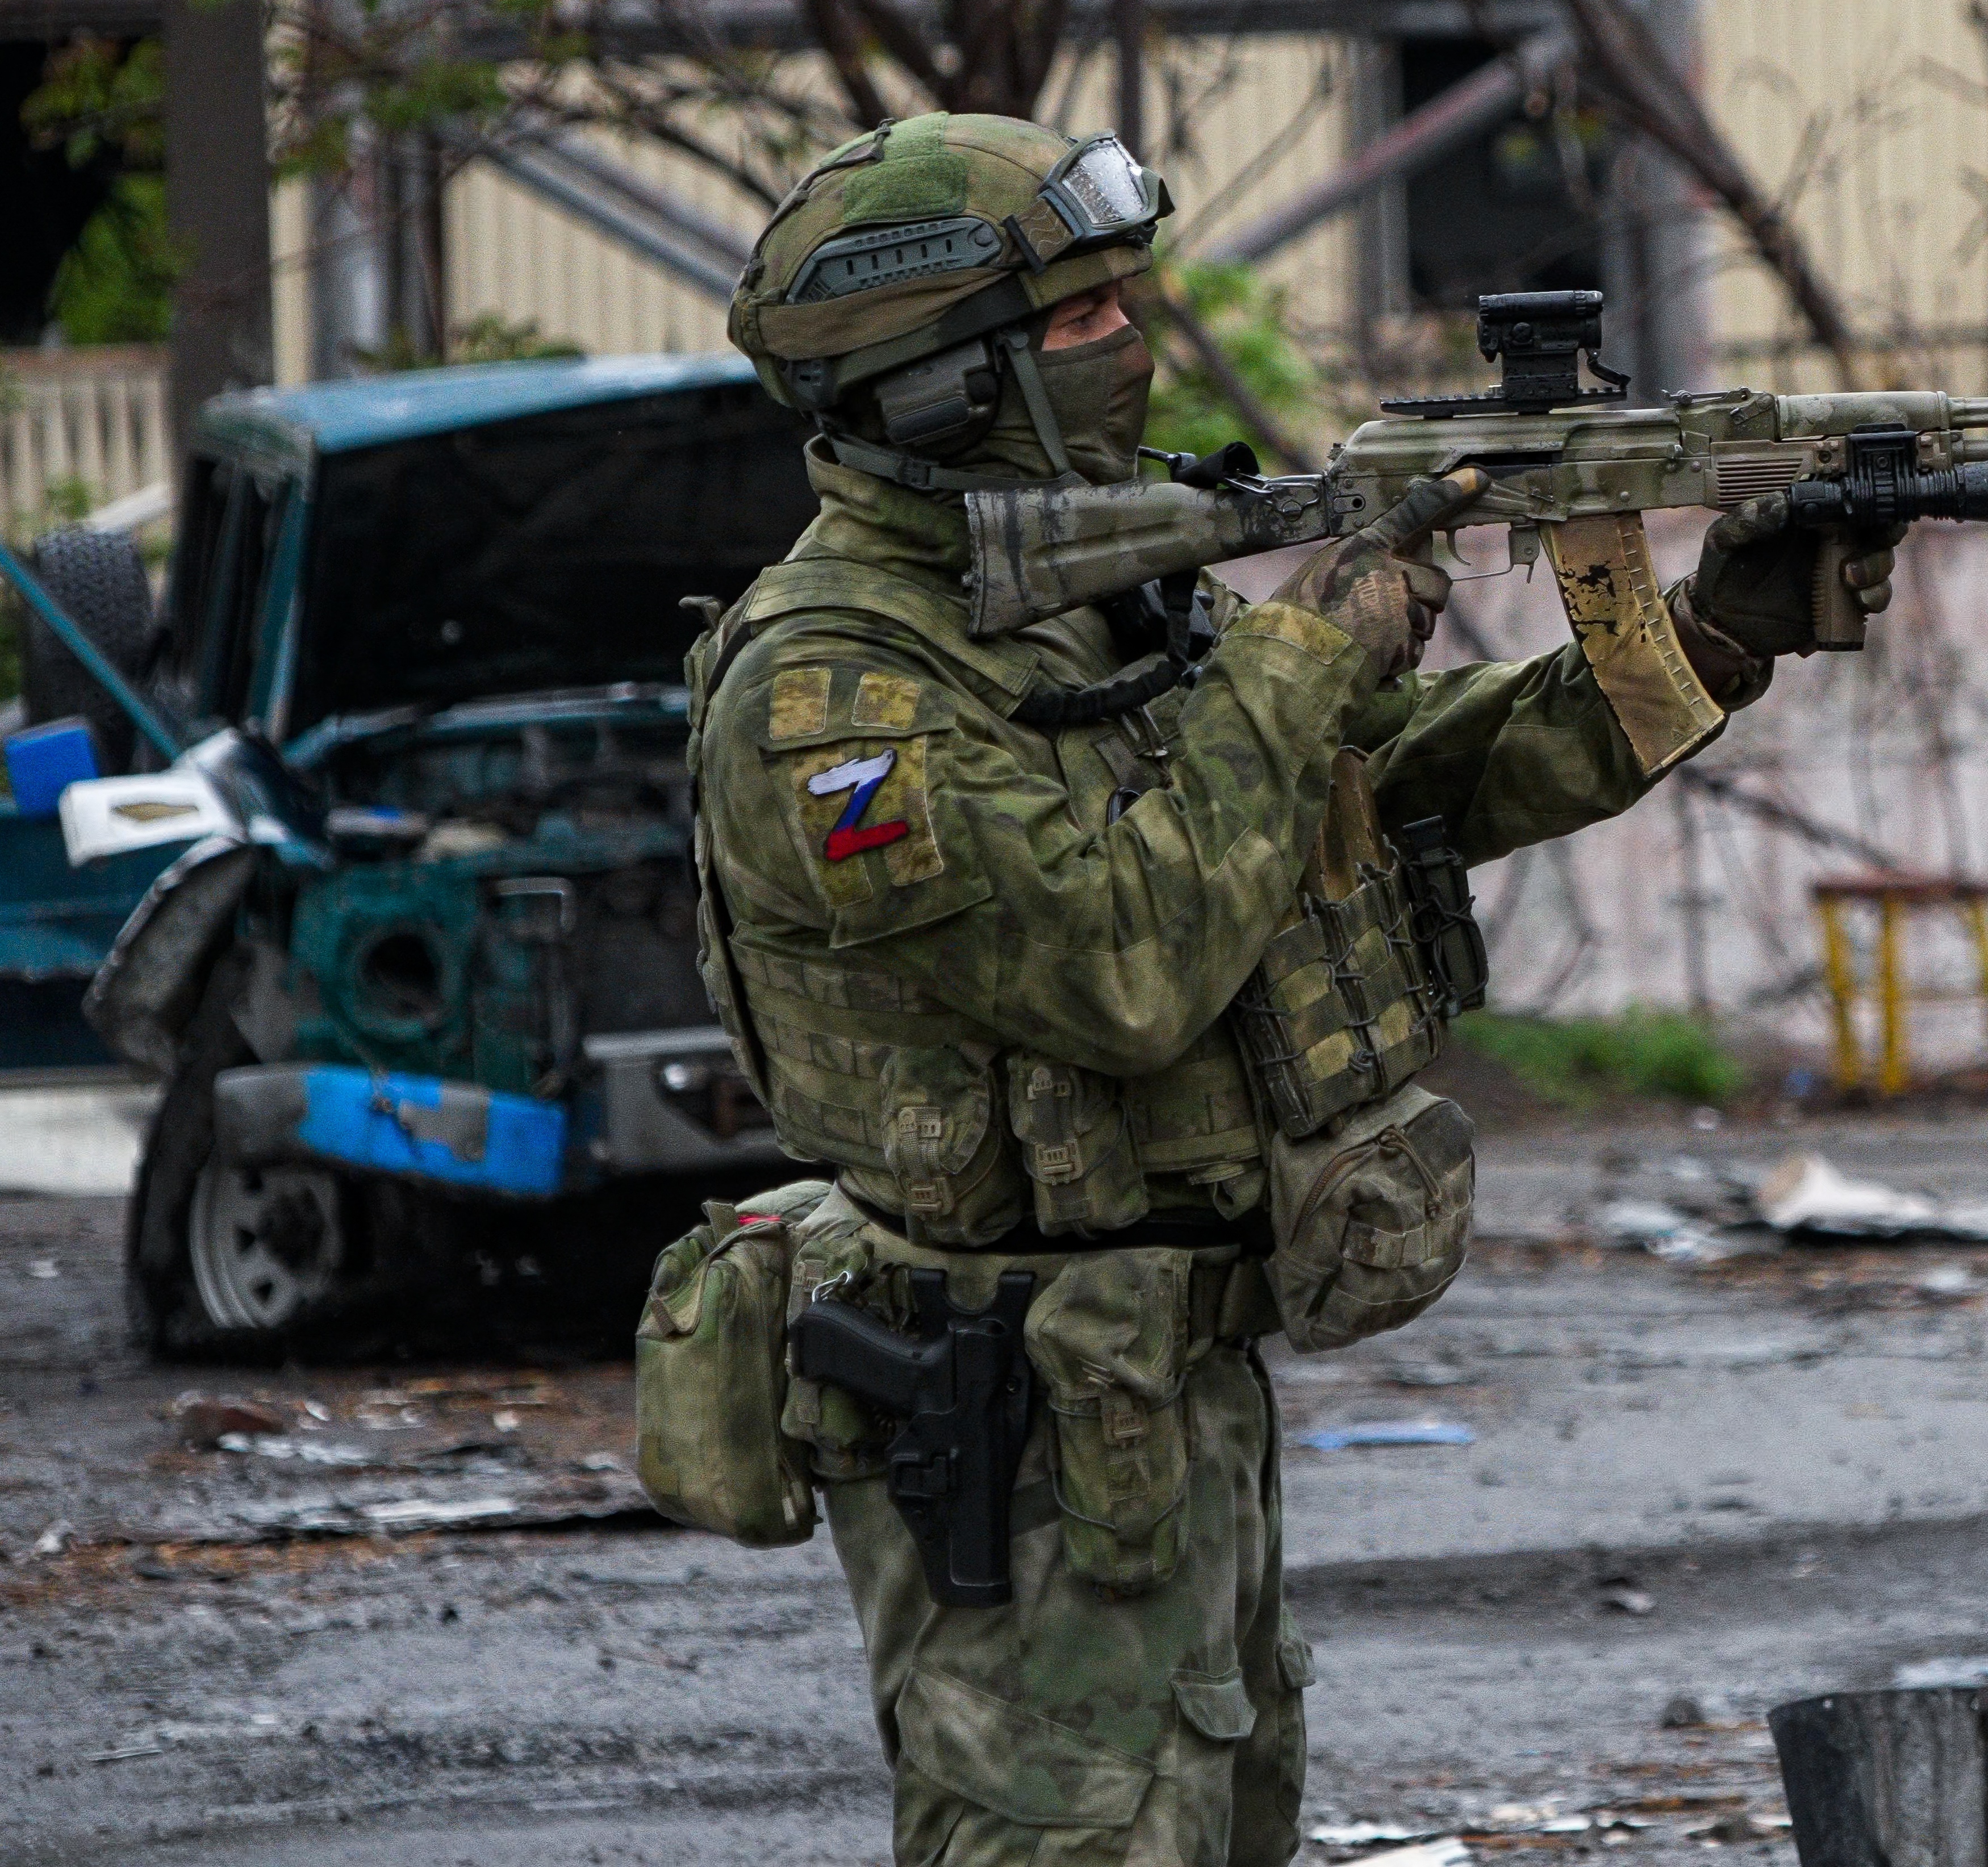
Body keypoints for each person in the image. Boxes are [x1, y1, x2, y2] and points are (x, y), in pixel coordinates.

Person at [643, 113, 1897, 1867]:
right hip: (1009, 1402)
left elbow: (1414, 792)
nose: (1133, 342)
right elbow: (1119, 970)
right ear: (940, 385)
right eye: (1083, 320)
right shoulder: (836, 693)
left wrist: (1712, 632)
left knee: (1232, 1821)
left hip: (1173, 1386)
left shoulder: (1106, 611)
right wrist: (1310, 643)